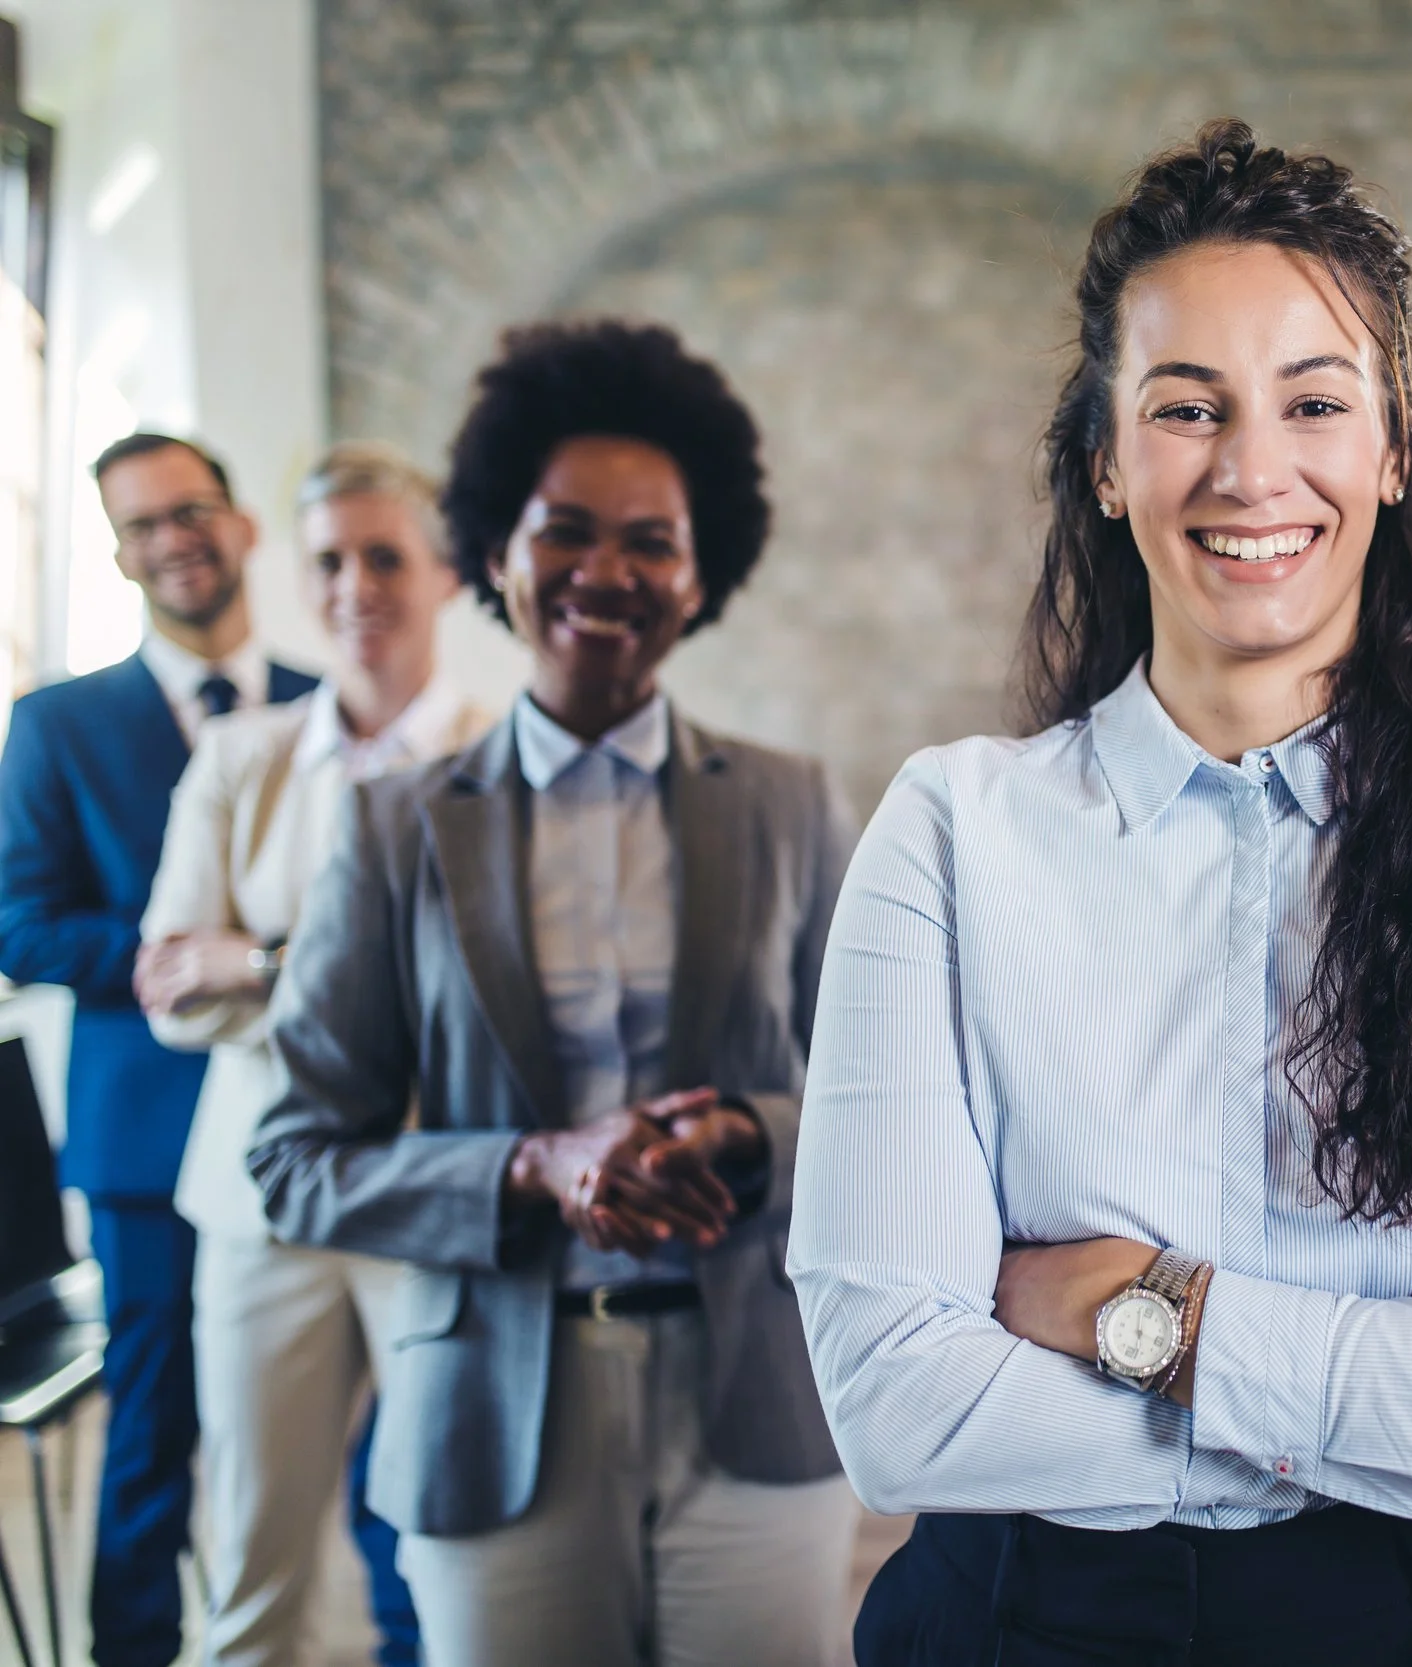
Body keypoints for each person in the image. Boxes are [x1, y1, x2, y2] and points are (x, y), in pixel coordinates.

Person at [791, 120, 1412, 1667]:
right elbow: (899, 1404)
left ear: (1392, 451)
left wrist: (1140, 1310)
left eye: (1314, 401)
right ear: (1105, 460)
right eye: (1185, 405)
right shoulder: (952, 834)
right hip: (1029, 1625)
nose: (1251, 467)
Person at [248, 322, 858, 1666]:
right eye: (565, 530)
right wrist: (531, 1163)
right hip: (491, 1410)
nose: (607, 571)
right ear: (494, 553)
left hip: (756, 1400)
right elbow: (294, 1160)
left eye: (652, 541)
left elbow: (894, 1111)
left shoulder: (790, 802)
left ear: (703, 571)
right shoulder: (396, 828)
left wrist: (752, 1134)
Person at [138, 441, 494, 1667]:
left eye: (385, 556)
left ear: (448, 572)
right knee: (250, 1564)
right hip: (256, 1207)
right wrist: (346, 973)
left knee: (459, 1551)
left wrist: (256, 960)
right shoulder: (240, 758)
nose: (355, 586)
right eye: (330, 560)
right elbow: (171, 991)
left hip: (432, 1199)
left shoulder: (504, 758)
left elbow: (485, 1008)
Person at [0, 434, 317, 1667]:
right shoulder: (58, 722)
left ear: (239, 523)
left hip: (308, 1120)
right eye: (142, 525)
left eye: (191, 510)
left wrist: (272, 961)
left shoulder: (325, 702)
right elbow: (20, 925)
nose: (174, 539)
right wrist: (189, 953)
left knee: (354, 1424)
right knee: (152, 1429)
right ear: (122, 555)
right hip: (145, 1139)